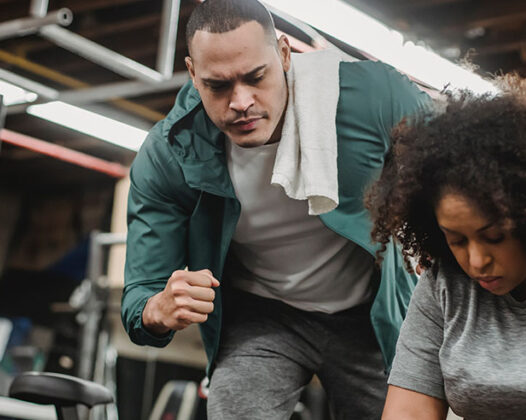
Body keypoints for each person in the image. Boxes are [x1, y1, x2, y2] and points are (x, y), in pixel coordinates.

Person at [121, 0, 431, 418]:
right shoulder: (169, 156)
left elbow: (464, 169)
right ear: (193, 74)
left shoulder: (372, 98)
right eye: (218, 86)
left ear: (284, 54)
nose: (241, 102)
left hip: (371, 313)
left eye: (256, 77)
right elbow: (140, 295)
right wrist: (158, 309)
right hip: (265, 316)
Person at [366, 75, 526, 420]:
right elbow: (408, 411)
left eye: (495, 237)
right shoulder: (443, 284)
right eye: (457, 240)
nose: (476, 261)